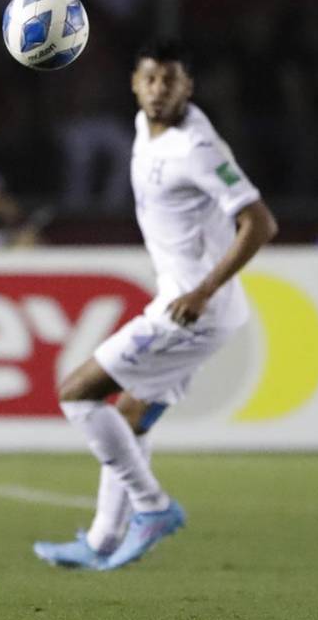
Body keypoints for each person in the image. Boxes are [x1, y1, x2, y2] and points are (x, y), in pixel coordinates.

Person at [33, 40, 277, 570]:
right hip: (195, 306)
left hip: (192, 312)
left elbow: (260, 223)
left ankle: (152, 507)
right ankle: (102, 540)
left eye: (171, 80)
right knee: (131, 417)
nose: (160, 89)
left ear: (189, 87)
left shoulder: (197, 147)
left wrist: (202, 290)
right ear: (134, 84)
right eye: (151, 79)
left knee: (76, 394)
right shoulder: (145, 127)